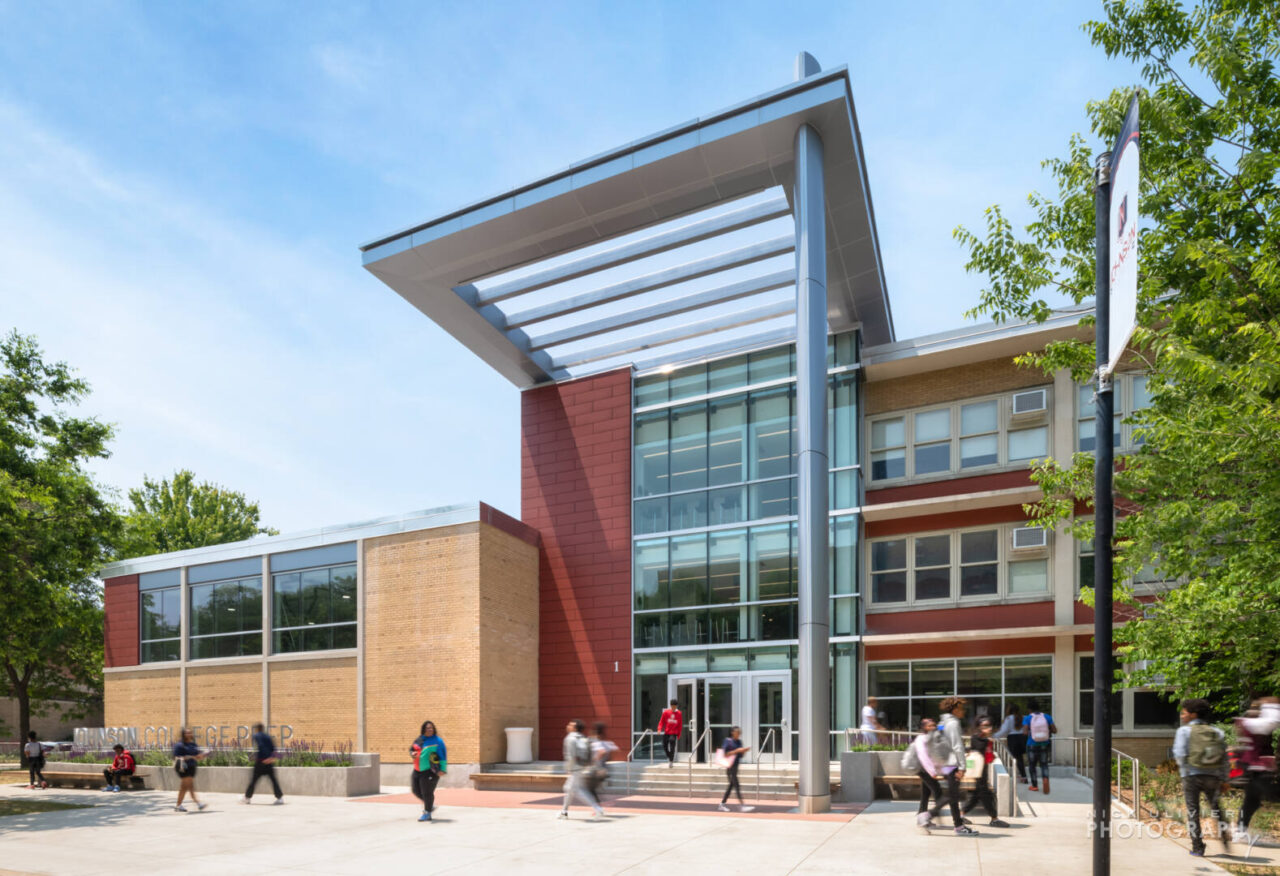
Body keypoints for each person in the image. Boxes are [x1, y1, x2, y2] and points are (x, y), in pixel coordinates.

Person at [1174, 698, 1230, 857]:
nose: (1181, 715)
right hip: (1212, 776)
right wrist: (1225, 779)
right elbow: (1224, 758)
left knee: (1193, 812)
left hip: (1191, 777)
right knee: (1217, 808)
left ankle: (1198, 847)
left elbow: (1180, 755)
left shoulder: (1183, 731)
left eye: (1184, 712)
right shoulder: (1217, 732)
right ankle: (1225, 837)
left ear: (1193, 715)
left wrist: (1184, 772)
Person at [930, 696, 978, 836]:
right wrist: (962, 766)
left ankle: (958, 825)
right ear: (955, 709)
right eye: (962, 708)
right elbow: (957, 746)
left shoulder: (941, 723)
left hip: (945, 764)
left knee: (953, 795)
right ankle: (928, 816)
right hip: (952, 764)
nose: (963, 711)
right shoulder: (953, 724)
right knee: (953, 795)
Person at [1234, 696, 1280, 842]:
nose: (1254, 712)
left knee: (1251, 801)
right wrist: (1271, 705)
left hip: (1255, 769)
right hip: (1256, 770)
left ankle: (1240, 831)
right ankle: (1240, 831)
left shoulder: (1249, 723)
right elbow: (1273, 721)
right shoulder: (1251, 723)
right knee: (1267, 797)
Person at [962, 717, 1011, 828]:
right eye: (985, 726)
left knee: (976, 796)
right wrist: (988, 742)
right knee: (986, 795)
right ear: (979, 727)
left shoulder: (988, 740)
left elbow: (989, 757)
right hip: (978, 772)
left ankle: (961, 814)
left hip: (983, 770)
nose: (988, 728)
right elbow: (975, 751)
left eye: (989, 726)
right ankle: (994, 818)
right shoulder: (976, 738)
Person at [903, 716, 949, 834]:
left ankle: (921, 816)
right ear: (923, 727)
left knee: (926, 793)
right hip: (924, 770)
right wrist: (932, 772)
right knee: (938, 792)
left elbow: (935, 755)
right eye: (929, 725)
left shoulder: (932, 738)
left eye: (933, 725)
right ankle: (928, 818)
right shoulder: (921, 738)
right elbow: (924, 757)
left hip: (927, 770)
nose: (932, 727)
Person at [558, 719, 603, 820]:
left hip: (575, 768)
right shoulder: (583, 738)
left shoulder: (570, 738)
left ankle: (597, 808)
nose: (568, 726)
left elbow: (571, 755)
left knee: (577, 790)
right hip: (581, 766)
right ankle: (564, 812)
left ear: (574, 728)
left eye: (570, 725)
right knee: (569, 789)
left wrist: (569, 768)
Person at [409, 720, 447, 822]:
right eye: (427, 728)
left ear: (434, 729)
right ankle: (429, 805)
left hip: (430, 770)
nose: (429, 730)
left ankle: (427, 813)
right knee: (415, 790)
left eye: (431, 728)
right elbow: (412, 749)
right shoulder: (420, 739)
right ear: (423, 730)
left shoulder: (438, 741)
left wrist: (443, 769)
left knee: (427, 792)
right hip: (417, 770)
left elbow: (443, 755)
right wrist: (412, 753)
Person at [242, 723, 283, 805]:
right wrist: (271, 758)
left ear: (258, 729)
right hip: (269, 762)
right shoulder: (268, 737)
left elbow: (261, 746)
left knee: (254, 781)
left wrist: (263, 758)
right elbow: (273, 749)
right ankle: (280, 798)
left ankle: (247, 798)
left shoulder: (257, 736)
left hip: (261, 762)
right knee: (273, 780)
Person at [716, 725, 755, 813]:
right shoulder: (728, 741)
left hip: (736, 766)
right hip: (730, 767)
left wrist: (743, 751)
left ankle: (722, 804)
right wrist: (737, 751)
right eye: (737, 733)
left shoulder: (739, 742)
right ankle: (742, 805)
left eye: (739, 733)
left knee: (731, 786)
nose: (738, 735)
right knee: (736, 785)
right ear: (732, 732)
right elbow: (725, 754)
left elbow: (741, 756)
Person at [1022, 699, 1057, 793]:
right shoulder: (1047, 716)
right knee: (1044, 764)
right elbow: (1055, 730)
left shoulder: (1028, 718)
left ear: (1029, 709)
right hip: (1044, 744)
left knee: (1032, 765)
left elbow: (1025, 732)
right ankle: (1045, 779)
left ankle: (1034, 785)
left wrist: (1030, 731)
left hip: (1032, 744)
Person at [172, 728, 207, 812]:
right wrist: (188, 757)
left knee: (184, 787)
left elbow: (197, 757)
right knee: (190, 786)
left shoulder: (193, 745)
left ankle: (178, 806)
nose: (188, 734)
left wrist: (202, 756)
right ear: (183, 735)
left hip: (192, 767)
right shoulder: (179, 745)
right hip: (183, 768)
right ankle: (198, 803)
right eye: (186, 733)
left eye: (190, 733)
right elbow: (176, 757)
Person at [994, 702, 1027, 784]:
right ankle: (1023, 775)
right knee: (1020, 758)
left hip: (1013, 739)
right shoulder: (1023, 717)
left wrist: (994, 736)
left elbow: (1004, 731)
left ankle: (1023, 776)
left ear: (1009, 710)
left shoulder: (1009, 718)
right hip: (1023, 738)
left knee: (1016, 759)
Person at [586, 722, 619, 802]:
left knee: (590, 789)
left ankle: (598, 807)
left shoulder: (597, 743)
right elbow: (616, 750)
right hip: (604, 770)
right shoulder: (606, 743)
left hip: (598, 770)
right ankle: (598, 805)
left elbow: (602, 751)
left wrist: (595, 760)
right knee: (591, 788)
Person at [657, 699, 683, 768]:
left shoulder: (679, 713)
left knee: (672, 746)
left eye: (675, 706)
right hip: (667, 732)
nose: (674, 708)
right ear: (670, 706)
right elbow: (661, 721)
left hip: (674, 733)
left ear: (676, 706)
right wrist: (659, 729)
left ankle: (671, 761)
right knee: (664, 746)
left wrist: (679, 734)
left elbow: (680, 725)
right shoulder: (666, 712)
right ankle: (669, 756)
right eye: (672, 706)